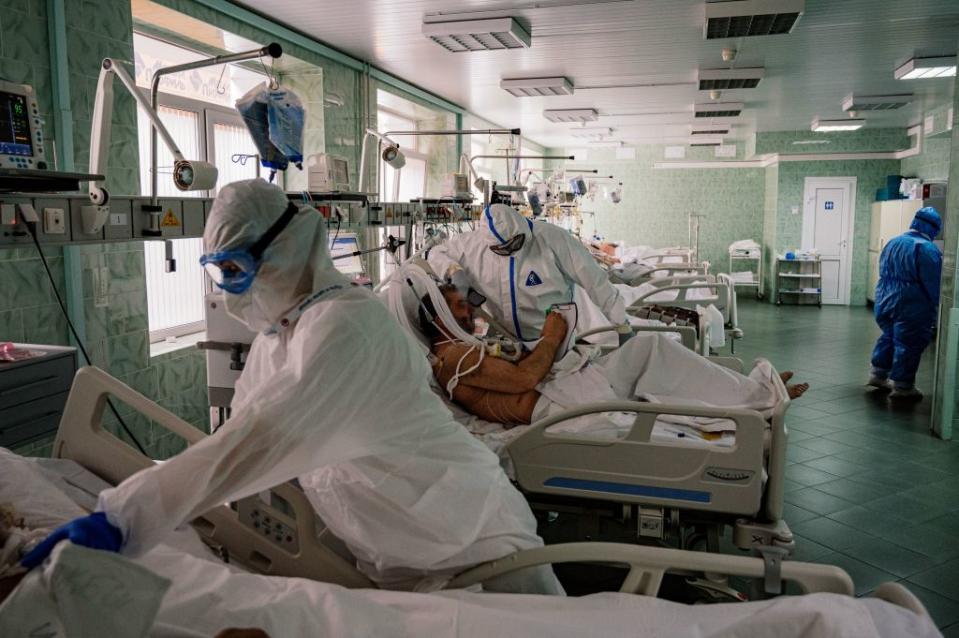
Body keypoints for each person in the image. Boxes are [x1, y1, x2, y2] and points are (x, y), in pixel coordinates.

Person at [22, 179, 562, 595]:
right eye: (219, 272)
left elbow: (257, 441)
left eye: (237, 268)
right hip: (399, 547)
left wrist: (124, 516)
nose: (231, 291)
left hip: (473, 538)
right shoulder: (280, 337)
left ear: (285, 249)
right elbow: (236, 437)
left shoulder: (348, 328)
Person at [420, 286, 808, 428]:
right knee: (652, 361)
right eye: (458, 307)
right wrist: (552, 338)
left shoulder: (465, 348)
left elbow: (519, 369)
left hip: (565, 389)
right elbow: (522, 381)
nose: (469, 312)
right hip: (557, 408)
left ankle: (753, 395)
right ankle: (757, 400)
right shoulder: (452, 357)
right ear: (436, 316)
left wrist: (536, 346)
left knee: (650, 349)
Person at [428, 203, 628, 344]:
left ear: (523, 228)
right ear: (487, 243)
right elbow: (435, 253)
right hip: (502, 340)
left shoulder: (553, 239)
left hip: (552, 341)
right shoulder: (470, 245)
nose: (511, 251)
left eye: (516, 243)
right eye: (502, 250)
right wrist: (454, 272)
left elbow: (596, 281)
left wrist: (621, 324)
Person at [869, 206, 943, 400]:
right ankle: (903, 386)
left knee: (889, 335)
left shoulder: (894, 242)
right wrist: (937, 306)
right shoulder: (926, 248)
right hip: (911, 302)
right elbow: (933, 282)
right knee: (909, 342)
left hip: (885, 298)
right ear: (933, 228)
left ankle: (878, 374)